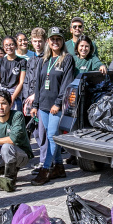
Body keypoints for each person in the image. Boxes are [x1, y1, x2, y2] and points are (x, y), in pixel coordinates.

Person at [30, 28, 76, 185]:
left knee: (51, 136)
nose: (55, 41)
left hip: (56, 106)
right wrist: (35, 104)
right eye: (52, 39)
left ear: (62, 41)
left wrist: (58, 103)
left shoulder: (67, 59)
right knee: (50, 136)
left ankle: (46, 169)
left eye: (58, 39)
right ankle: (59, 168)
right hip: (42, 105)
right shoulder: (44, 59)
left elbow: (67, 84)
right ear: (48, 41)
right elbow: (38, 84)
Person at [0, 90, 33, 192]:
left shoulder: (17, 116)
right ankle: (11, 170)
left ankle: (9, 181)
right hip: (5, 155)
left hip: (22, 155)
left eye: (4, 103)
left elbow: (12, 140)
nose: (0, 107)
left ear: (10, 104)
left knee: (6, 146)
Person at [22, 28, 48, 171]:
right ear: (31, 42)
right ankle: (43, 160)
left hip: (42, 102)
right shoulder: (31, 60)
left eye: (40, 41)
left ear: (45, 42)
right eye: (35, 41)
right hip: (30, 103)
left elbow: (46, 82)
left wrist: (36, 96)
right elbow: (27, 81)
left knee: (43, 133)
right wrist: (26, 100)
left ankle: (45, 163)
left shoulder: (48, 59)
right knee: (36, 132)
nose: (37, 44)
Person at [0, 36, 26, 112]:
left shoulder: (22, 61)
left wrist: (12, 98)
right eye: (6, 45)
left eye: (11, 45)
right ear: (3, 47)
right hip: (1, 94)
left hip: (15, 96)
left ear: (16, 46)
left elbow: (21, 82)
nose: (9, 47)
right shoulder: (0, 62)